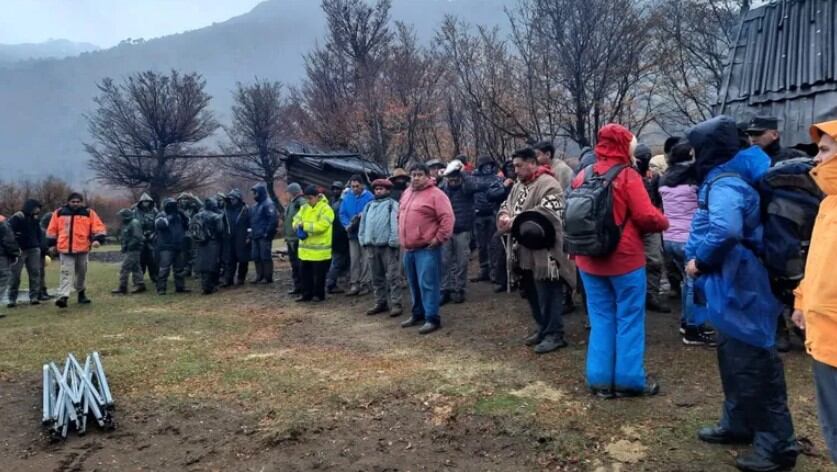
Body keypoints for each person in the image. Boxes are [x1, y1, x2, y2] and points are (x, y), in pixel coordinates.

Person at [685, 116, 798, 472]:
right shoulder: (734, 175)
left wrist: (700, 262)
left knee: (754, 363)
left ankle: (777, 446)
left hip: (740, 287)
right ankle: (738, 422)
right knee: (734, 358)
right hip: (731, 287)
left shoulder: (725, 183)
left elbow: (726, 229)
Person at [570, 124, 669, 398]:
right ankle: (628, 380)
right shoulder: (627, 175)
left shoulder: (582, 175)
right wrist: (664, 220)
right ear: (626, 146)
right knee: (629, 318)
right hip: (624, 260)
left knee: (601, 318)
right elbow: (646, 217)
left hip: (588, 259)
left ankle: (600, 380)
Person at [498, 147, 576, 354]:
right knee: (531, 292)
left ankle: (554, 334)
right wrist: (504, 216)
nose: (515, 170)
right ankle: (543, 328)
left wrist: (514, 220)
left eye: (519, 165)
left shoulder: (549, 184)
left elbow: (548, 214)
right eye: (514, 166)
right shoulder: (518, 185)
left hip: (545, 253)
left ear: (532, 163)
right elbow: (506, 204)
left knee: (549, 293)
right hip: (523, 250)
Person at [791, 119, 837, 465]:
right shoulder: (826, 205)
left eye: (824, 151)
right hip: (824, 337)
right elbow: (817, 263)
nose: (816, 160)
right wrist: (802, 300)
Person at [658, 140, 713, 345]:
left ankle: (686, 322)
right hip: (689, 238)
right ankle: (692, 329)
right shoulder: (694, 179)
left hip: (669, 237)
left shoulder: (664, 179)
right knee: (693, 284)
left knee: (684, 281)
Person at [399, 163, 454, 335]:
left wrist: (439, 239)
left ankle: (432, 318)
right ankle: (418, 314)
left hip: (427, 248)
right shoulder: (407, 193)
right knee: (414, 284)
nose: (415, 178)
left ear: (427, 175)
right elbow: (400, 214)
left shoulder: (437, 195)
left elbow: (447, 218)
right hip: (409, 248)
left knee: (428, 284)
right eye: (413, 175)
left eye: (419, 175)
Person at [46, 193, 107, 308]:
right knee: (66, 272)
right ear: (68, 202)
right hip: (65, 249)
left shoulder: (89, 213)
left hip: (82, 248)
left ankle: (81, 293)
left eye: (78, 201)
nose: (75, 203)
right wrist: (51, 244)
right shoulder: (59, 213)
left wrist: (98, 239)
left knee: (81, 273)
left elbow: (99, 227)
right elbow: (52, 230)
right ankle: (63, 297)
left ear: (81, 202)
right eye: (73, 201)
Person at [440, 160, 484, 304]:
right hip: (446, 231)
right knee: (445, 262)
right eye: (450, 176)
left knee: (462, 262)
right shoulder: (443, 189)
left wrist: (462, 172)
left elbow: (475, 185)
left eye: (455, 176)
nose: (453, 179)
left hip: (463, 230)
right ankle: (445, 289)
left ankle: (459, 289)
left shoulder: (466, 188)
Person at [634, 142, 671, 313]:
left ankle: (651, 295)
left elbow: (657, 199)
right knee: (636, 263)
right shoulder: (630, 176)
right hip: (635, 225)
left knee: (654, 260)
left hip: (650, 223)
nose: (644, 161)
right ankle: (641, 295)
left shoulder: (652, 177)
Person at [359, 179, 403, 317]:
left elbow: (395, 225)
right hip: (371, 247)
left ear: (388, 191)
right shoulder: (368, 206)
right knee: (376, 277)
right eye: (376, 189)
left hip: (387, 247)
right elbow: (363, 224)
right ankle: (380, 302)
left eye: (381, 189)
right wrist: (363, 240)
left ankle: (396, 303)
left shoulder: (392, 205)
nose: (378, 191)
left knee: (393, 276)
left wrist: (393, 242)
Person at [292, 185, 334, 302]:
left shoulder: (326, 209)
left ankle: (318, 295)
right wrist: (296, 225)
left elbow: (322, 226)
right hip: (305, 250)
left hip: (320, 251)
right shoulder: (304, 207)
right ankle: (306, 294)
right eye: (306, 198)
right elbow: (295, 219)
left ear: (317, 197)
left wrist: (304, 226)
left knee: (319, 276)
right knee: (305, 274)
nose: (308, 201)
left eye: (310, 198)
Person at [470, 156, 506, 284]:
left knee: (493, 244)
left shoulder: (497, 178)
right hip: (478, 215)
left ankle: (493, 271)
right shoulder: (473, 179)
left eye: (489, 165)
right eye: (484, 166)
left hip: (493, 214)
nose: (487, 168)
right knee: (481, 245)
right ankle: (483, 269)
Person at [339, 175, 374, 296]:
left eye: (357, 186)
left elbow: (372, 211)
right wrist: (346, 224)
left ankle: (365, 283)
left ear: (362, 185)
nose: (354, 189)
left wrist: (362, 214)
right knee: (354, 259)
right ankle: (355, 283)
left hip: (365, 232)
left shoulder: (369, 197)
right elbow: (342, 213)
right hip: (352, 232)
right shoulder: (347, 197)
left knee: (365, 259)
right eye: (352, 186)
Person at [6, 199, 43, 307]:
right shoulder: (17, 217)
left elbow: (39, 233)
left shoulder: (35, 219)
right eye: (36, 208)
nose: (38, 210)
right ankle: (12, 298)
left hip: (34, 249)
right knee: (15, 275)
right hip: (19, 250)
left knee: (35, 273)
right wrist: (13, 246)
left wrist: (40, 245)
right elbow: (8, 232)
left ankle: (34, 297)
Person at [155, 198, 191, 295]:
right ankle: (161, 289)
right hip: (166, 246)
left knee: (179, 268)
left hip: (178, 245)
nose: (173, 207)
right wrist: (169, 217)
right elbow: (159, 225)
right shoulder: (161, 214)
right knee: (164, 269)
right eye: (171, 205)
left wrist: (184, 216)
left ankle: (180, 287)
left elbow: (188, 225)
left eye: (174, 205)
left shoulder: (179, 215)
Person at [492, 159, 517, 293]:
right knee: (500, 251)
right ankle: (503, 281)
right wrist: (504, 186)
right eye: (509, 169)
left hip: (519, 221)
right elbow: (491, 195)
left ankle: (520, 281)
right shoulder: (500, 181)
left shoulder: (524, 182)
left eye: (514, 168)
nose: (512, 171)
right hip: (503, 221)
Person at [192, 198, 225, 295]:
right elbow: (220, 230)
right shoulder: (216, 217)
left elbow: (192, 228)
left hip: (200, 242)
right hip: (213, 242)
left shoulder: (197, 215)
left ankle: (204, 285)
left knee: (202, 264)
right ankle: (209, 286)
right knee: (212, 264)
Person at [111, 208, 146, 295]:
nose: (120, 218)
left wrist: (128, 246)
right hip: (131, 249)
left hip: (134, 249)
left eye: (121, 216)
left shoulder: (134, 223)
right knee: (136, 267)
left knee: (125, 268)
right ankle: (140, 284)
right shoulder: (126, 224)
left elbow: (137, 237)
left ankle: (123, 287)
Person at [249, 183, 278, 284]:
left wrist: (267, 233)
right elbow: (252, 221)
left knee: (265, 256)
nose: (254, 195)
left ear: (260, 192)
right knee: (256, 256)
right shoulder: (255, 206)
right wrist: (250, 234)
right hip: (255, 236)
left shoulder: (268, 204)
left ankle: (268, 277)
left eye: (255, 193)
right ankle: (259, 275)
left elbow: (273, 220)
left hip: (264, 236)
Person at [220, 189, 250, 287]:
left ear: (239, 199)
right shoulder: (226, 210)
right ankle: (228, 279)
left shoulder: (245, 209)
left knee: (243, 259)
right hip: (229, 238)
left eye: (234, 199)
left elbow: (250, 224)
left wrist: (249, 236)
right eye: (231, 199)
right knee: (229, 259)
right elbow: (222, 224)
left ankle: (241, 278)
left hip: (242, 237)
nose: (232, 201)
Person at [326, 181, 350, 294]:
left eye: (338, 189)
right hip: (339, 236)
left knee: (340, 260)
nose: (335, 191)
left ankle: (338, 281)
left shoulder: (332, 203)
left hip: (336, 236)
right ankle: (331, 284)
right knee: (337, 261)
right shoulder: (338, 204)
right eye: (334, 189)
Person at [283, 183, 305, 295]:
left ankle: (302, 287)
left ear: (293, 192)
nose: (287, 194)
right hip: (290, 239)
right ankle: (297, 286)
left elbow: (305, 213)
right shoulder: (292, 203)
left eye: (288, 192)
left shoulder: (300, 202)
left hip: (296, 239)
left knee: (299, 264)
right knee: (294, 265)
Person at [133, 193, 158, 284]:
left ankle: (155, 276)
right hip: (140, 239)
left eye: (147, 201)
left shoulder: (154, 211)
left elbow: (158, 224)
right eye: (144, 202)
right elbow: (133, 225)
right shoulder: (136, 211)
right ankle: (139, 279)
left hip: (152, 238)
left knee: (153, 259)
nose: (146, 203)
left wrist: (154, 234)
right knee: (140, 259)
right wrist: (140, 235)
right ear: (141, 202)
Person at [0, 215, 21, 319]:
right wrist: (15, 253)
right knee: (2, 280)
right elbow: (8, 240)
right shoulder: (2, 221)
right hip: (1, 256)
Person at [176, 192, 202, 278]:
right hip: (182, 233)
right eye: (182, 199)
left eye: (186, 199)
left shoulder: (194, 207)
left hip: (194, 232)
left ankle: (196, 271)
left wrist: (194, 198)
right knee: (184, 253)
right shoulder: (177, 209)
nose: (184, 201)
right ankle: (187, 270)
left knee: (194, 252)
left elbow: (202, 207)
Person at [37, 210, 53, 299]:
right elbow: (43, 244)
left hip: (41, 254)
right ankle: (40, 293)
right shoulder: (42, 230)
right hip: (38, 254)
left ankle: (43, 291)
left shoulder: (42, 229)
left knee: (41, 274)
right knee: (39, 274)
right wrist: (48, 250)